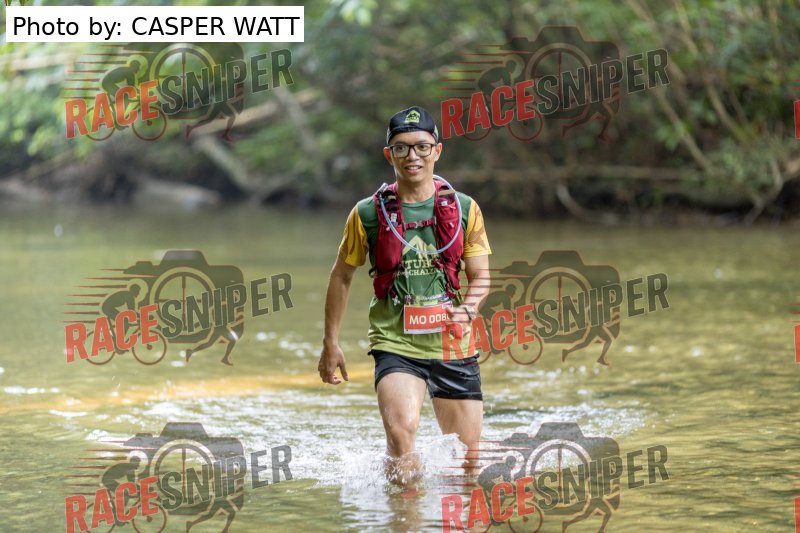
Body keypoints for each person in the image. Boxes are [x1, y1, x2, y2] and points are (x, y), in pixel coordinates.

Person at [317, 106, 492, 488]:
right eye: (401, 148)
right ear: (389, 154)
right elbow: (341, 276)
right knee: (400, 436)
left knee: (468, 463)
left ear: (437, 151)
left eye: (422, 146)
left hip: (452, 342)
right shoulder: (366, 213)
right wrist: (331, 342)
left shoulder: (465, 209)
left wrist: (467, 309)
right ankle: (404, 513)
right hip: (395, 341)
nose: (413, 156)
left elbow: (480, 277)